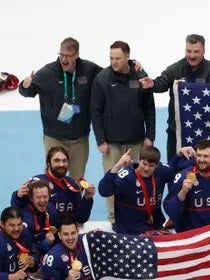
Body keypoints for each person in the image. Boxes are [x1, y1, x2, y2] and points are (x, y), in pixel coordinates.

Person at [18, 37, 102, 179]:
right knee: (52, 179)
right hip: (54, 138)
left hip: (79, 139)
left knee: (78, 180)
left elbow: (109, 76)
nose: (64, 59)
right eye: (61, 54)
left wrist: (132, 65)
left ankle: (75, 202)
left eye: (68, 56)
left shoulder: (89, 70)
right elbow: (28, 92)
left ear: (76, 55)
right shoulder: (48, 72)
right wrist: (24, 86)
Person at [91, 41, 155, 224]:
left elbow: (149, 108)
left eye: (118, 58)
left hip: (136, 142)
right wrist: (100, 140)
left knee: (138, 180)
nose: (114, 62)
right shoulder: (102, 79)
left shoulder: (140, 76)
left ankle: (138, 215)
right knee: (112, 181)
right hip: (112, 144)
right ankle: (113, 218)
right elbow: (95, 111)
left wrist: (150, 136)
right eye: (111, 58)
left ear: (128, 57)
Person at [139, 34, 210, 160]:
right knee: (174, 168)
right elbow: (162, 82)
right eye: (188, 51)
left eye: (196, 52)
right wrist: (153, 84)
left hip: (204, 130)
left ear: (204, 51)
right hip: (176, 131)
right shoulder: (176, 68)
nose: (192, 55)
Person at [98, 146, 176, 235]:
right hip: (131, 233)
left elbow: (177, 169)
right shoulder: (126, 177)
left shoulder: (161, 172)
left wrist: (179, 154)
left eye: (151, 166)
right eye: (144, 164)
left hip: (155, 228)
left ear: (157, 165)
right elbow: (103, 191)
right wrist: (117, 166)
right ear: (138, 160)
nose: (146, 168)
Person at [11, 146, 95, 224]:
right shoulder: (36, 183)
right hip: (42, 234)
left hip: (66, 235)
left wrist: (87, 199)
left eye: (64, 160)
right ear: (48, 163)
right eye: (56, 160)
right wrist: (18, 196)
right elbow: (17, 210)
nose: (61, 164)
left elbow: (81, 218)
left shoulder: (73, 185)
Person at [164, 140, 210, 232]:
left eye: (206, 156)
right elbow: (170, 212)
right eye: (199, 155)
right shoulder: (183, 177)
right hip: (190, 237)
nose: (201, 160)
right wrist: (182, 193)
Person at [19, 180, 59, 257]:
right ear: (31, 198)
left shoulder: (52, 210)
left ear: (49, 196)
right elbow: (28, 249)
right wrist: (45, 243)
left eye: (45, 196)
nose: (42, 200)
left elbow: (57, 236)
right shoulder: (25, 218)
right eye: (38, 197)